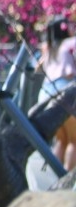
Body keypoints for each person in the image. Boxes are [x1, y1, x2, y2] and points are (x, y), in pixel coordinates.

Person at [38, 17, 76, 171]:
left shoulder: (47, 48)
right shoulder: (70, 43)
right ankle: (66, 179)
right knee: (74, 140)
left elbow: (37, 69)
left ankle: (56, 175)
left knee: (61, 139)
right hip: (65, 93)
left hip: (46, 93)